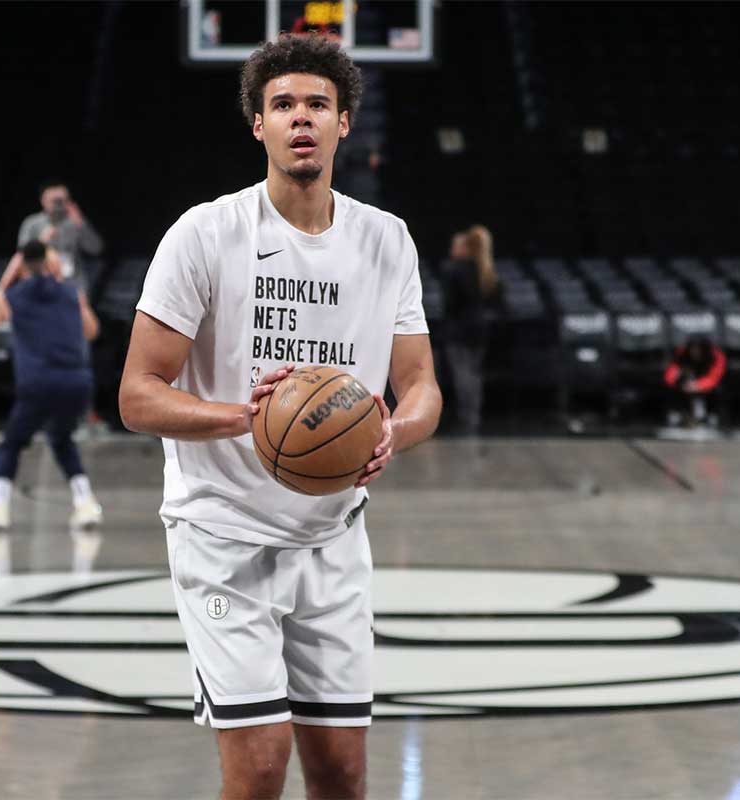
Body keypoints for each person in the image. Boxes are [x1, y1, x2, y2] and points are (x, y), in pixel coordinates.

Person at [118, 35, 441, 800]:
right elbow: (137, 393)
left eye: (318, 105)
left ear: (344, 123)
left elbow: (421, 383)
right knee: (261, 767)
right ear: (257, 125)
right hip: (223, 534)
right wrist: (244, 419)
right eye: (284, 105)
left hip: (332, 537)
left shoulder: (386, 240)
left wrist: (394, 429)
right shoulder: (205, 234)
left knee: (341, 771)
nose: (302, 118)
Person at [0, 240, 103, 533]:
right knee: (61, 440)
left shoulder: (16, 294)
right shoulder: (72, 293)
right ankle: (85, 504)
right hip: (77, 384)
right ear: (51, 265)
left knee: (11, 445)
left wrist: (10, 274)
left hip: (38, 383)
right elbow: (92, 330)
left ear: (22, 263)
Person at [440, 225, 496, 435]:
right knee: (474, 374)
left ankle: (466, 417)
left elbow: (450, 304)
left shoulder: (452, 269)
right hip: (480, 329)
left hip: (459, 330)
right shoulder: (484, 268)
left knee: (463, 374)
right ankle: (474, 415)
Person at [16, 180, 105, 293]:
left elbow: (96, 249)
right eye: (54, 201)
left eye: (62, 200)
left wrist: (81, 224)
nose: (58, 204)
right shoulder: (32, 223)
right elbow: (21, 257)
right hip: (41, 284)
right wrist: (41, 241)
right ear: (43, 200)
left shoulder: (75, 222)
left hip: (73, 285)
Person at [663, 335, 726, 428]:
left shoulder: (716, 355)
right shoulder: (681, 353)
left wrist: (699, 385)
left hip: (706, 385)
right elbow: (670, 373)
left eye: (699, 348)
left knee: (718, 390)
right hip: (686, 384)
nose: (695, 351)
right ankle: (676, 415)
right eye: (693, 348)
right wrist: (680, 383)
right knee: (671, 389)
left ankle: (711, 417)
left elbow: (715, 376)